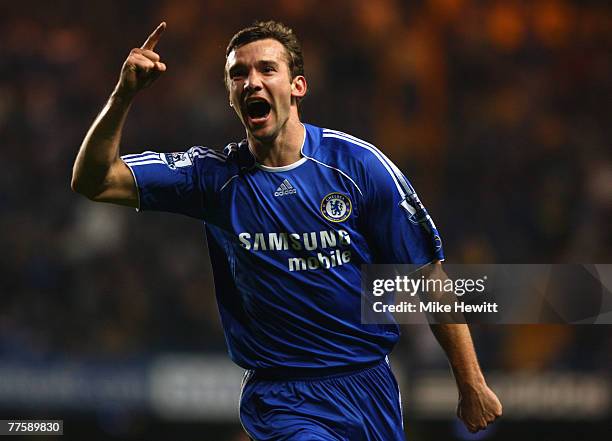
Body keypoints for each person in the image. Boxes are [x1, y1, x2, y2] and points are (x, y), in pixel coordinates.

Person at [71, 20, 501, 441]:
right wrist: (123, 94)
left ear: (298, 86)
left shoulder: (358, 167)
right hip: (282, 397)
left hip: (369, 388)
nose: (251, 81)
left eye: (266, 69)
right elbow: (96, 180)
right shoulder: (212, 177)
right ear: (230, 95)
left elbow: (428, 276)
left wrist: (471, 383)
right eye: (238, 74)